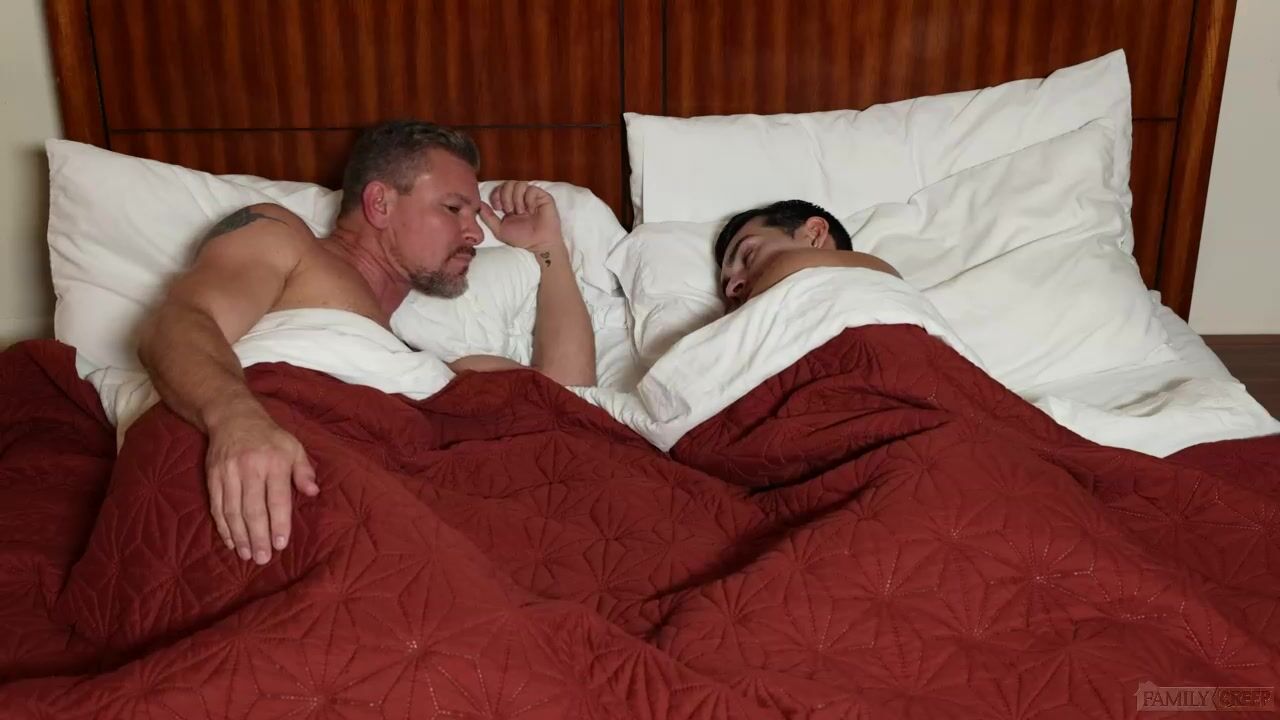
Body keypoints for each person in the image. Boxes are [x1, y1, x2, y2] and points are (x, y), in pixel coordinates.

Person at [137, 120, 596, 566]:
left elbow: (568, 400)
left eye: (475, 216)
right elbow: (178, 322)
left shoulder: (426, 370)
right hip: (260, 480)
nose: (475, 233)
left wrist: (548, 247)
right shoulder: (284, 239)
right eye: (454, 209)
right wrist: (237, 421)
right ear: (379, 203)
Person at [715, 199, 901, 311]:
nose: (731, 290)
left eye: (748, 255)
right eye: (729, 290)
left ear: (815, 233)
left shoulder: (881, 280)